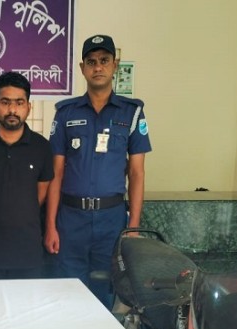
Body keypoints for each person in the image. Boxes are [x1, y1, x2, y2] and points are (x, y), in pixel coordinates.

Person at [44, 35, 151, 308]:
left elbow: (137, 174)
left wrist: (133, 228)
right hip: (71, 220)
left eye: (104, 60)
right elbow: (56, 173)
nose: (98, 67)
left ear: (115, 65)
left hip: (111, 221)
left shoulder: (131, 112)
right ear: (82, 68)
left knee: (105, 292)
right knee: (68, 292)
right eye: (91, 62)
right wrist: (51, 225)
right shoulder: (66, 113)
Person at [0, 72, 54, 279]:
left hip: (27, 251)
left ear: (28, 107)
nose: (12, 110)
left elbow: (41, 195)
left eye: (19, 103)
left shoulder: (41, 147)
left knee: (28, 300)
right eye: (5, 102)